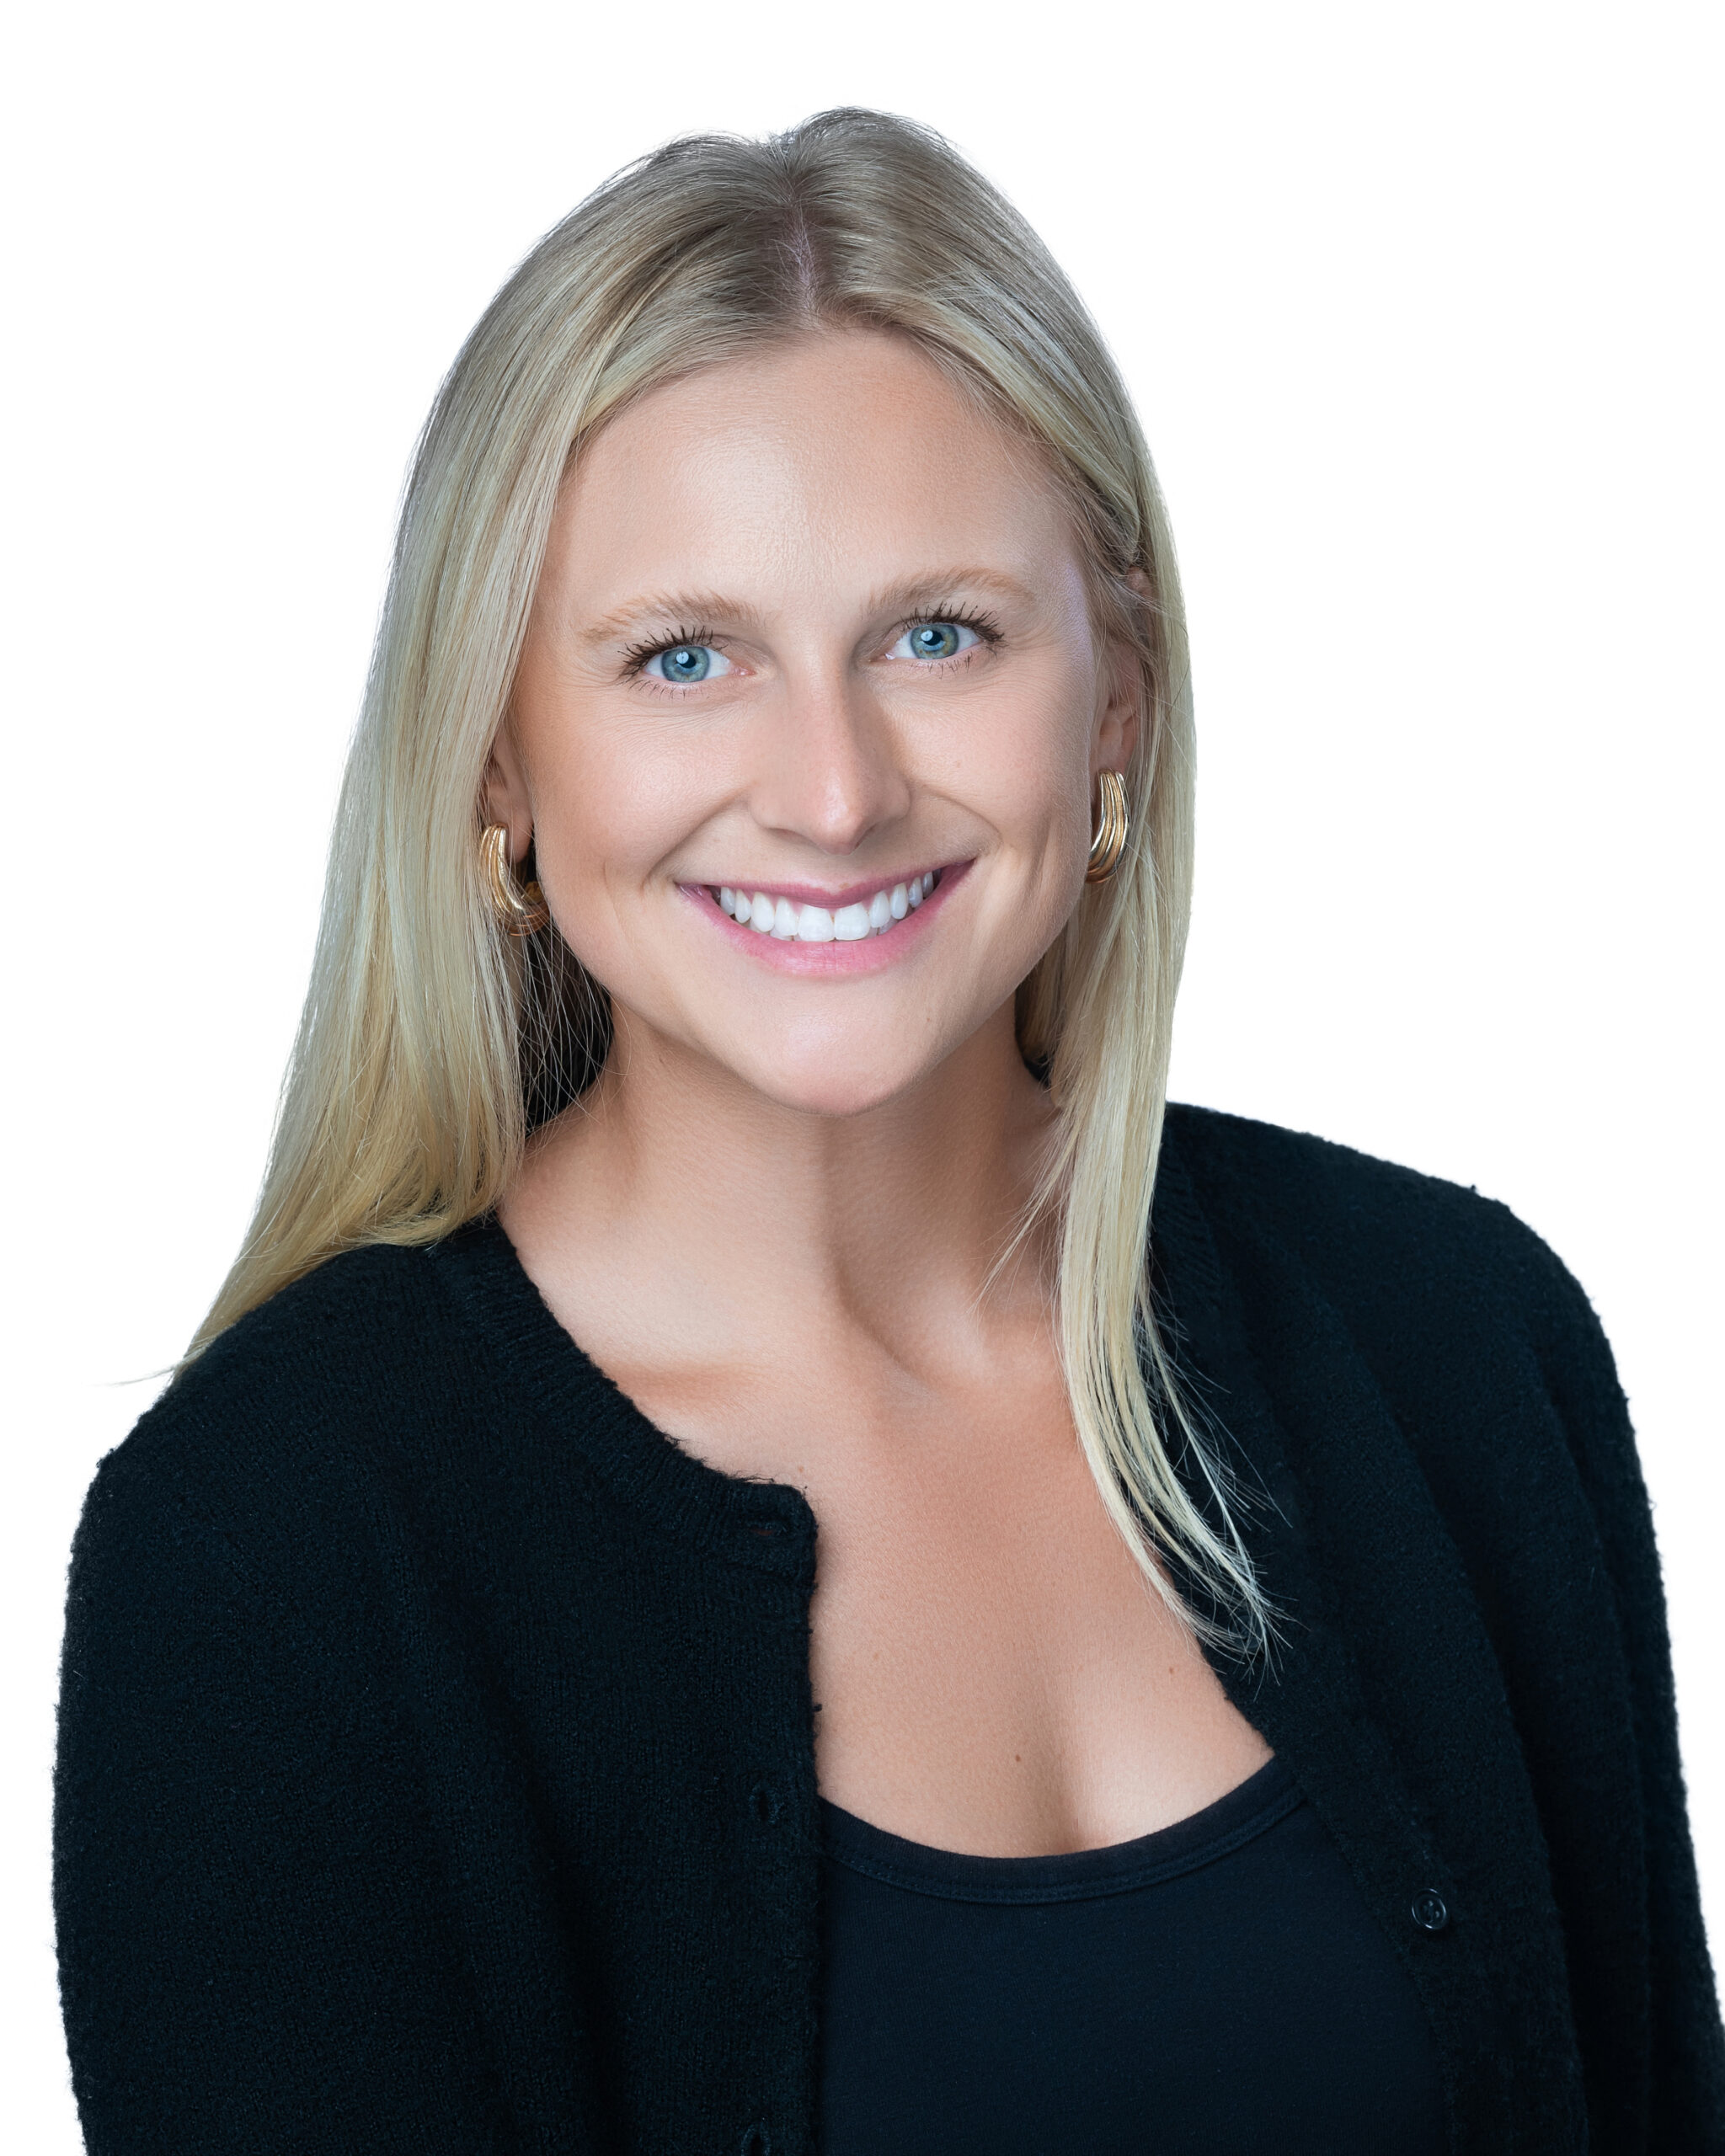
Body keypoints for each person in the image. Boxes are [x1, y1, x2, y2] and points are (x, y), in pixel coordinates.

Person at [53, 108, 1723, 2155]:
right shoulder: (274, 1549)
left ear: (1115, 692)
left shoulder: (1457, 1343)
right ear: (496, 760)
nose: (831, 790)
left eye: (939, 634)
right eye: (686, 657)